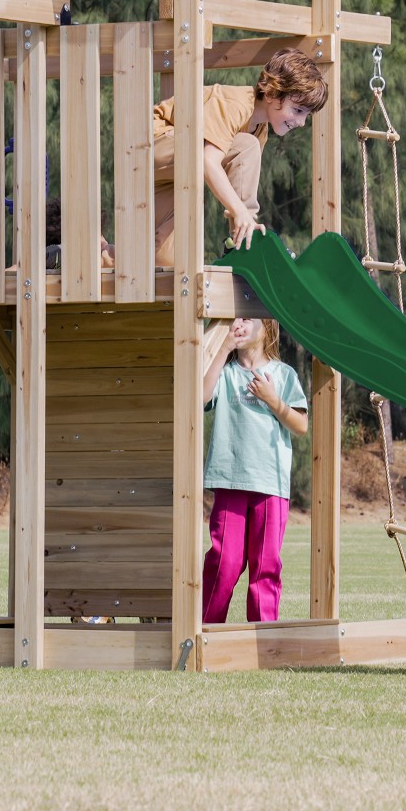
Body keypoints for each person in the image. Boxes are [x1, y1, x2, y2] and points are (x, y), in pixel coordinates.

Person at [152, 48, 328, 268]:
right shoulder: (236, 105)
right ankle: (246, 240)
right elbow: (208, 162)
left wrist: (238, 213)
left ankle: (102, 257)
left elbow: (238, 182)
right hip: (151, 146)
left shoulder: (259, 129)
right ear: (273, 93)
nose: (301, 122)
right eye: (298, 110)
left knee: (166, 261)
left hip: (172, 175)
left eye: (306, 115)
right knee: (246, 145)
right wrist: (241, 213)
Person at [200, 316, 309, 624]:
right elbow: (201, 396)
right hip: (229, 480)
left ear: (267, 327)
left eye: (248, 317)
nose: (240, 322)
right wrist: (222, 348)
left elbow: (300, 425)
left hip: (270, 484)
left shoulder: (283, 374)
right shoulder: (225, 372)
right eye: (235, 318)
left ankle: (264, 636)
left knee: (265, 566)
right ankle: (206, 631)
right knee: (224, 561)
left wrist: (273, 400)